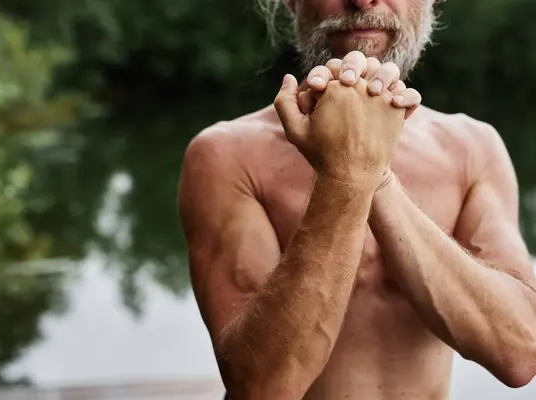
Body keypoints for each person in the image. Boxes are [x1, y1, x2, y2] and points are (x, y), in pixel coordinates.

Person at [178, 0, 536, 399]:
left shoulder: (474, 146)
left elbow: (519, 353)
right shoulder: (226, 155)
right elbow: (262, 388)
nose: (363, 0)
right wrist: (347, 175)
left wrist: (370, 171)